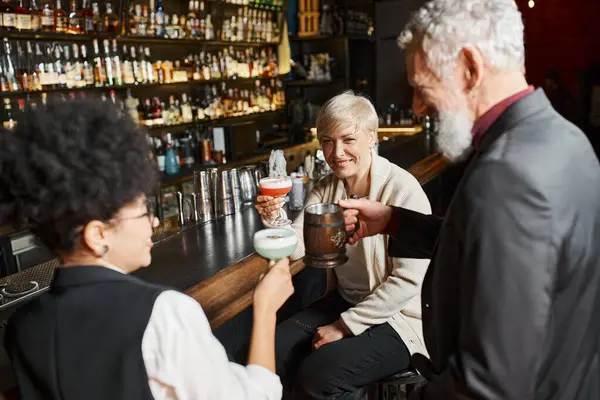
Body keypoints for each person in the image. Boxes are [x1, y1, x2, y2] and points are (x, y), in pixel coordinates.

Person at [339, 1, 600, 399]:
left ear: (470, 67)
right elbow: (500, 248)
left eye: (422, 89)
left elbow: (489, 384)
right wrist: (396, 220)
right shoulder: (566, 138)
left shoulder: (508, 174)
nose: (417, 107)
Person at [0, 99, 294, 400]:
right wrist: (266, 309)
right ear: (97, 234)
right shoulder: (164, 313)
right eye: (142, 212)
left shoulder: (22, 328)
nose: (153, 221)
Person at [255, 91, 431, 398]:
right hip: (346, 300)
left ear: (372, 137)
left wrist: (344, 326)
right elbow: (300, 245)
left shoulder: (402, 190)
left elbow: (408, 282)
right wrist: (275, 218)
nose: (337, 152)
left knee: (318, 376)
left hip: (399, 317)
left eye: (348, 139)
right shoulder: (327, 187)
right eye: (327, 140)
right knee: (273, 348)